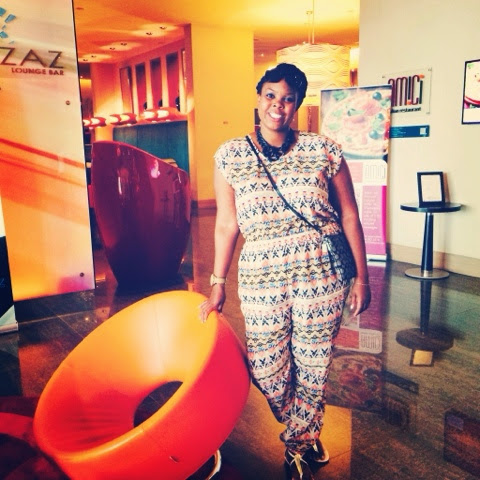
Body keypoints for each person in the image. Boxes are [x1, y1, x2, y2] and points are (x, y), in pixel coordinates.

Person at [200, 63, 371, 480]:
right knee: (267, 369)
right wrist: (218, 283)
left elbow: (349, 215)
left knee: (314, 364)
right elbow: (227, 223)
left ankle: (298, 445)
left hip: (322, 274)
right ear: (259, 97)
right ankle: (304, 426)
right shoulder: (231, 155)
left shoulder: (324, 150)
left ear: (297, 105)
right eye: (271, 96)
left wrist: (362, 277)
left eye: (288, 99)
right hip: (261, 278)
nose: (278, 105)